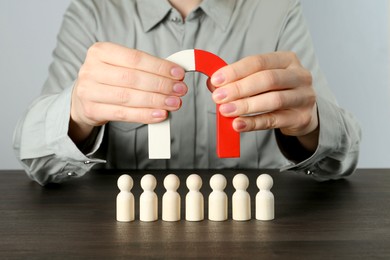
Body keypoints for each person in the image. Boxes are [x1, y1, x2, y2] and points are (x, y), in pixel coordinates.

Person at [13, 0, 361, 186]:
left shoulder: (278, 9)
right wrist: (76, 115)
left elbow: (338, 161)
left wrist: (311, 125)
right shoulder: (93, 11)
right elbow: (39, 162)